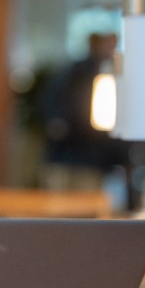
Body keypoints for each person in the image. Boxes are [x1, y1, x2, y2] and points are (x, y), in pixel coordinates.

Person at [41, 32, 129, 190]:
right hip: (71, 155)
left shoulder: (108, 74)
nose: (112, 50)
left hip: (90, 160)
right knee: (63, 206)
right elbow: (53, 107)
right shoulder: (76, 74)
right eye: (109, 44)